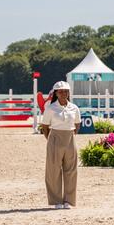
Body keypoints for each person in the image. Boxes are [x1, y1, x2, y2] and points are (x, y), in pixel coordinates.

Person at [40, 81, 81, 209]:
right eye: (61, 91)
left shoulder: (74, 108)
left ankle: (68, 200)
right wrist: (51, 139)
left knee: (71, 170)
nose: (64, 93)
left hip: (70, 138)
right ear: (56, 93)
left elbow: (77, 124)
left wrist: (71, 136)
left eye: (66, 91)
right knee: (53, 170)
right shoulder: (50, 108)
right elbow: (45, 126)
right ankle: (56, 200)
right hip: (55, 138)